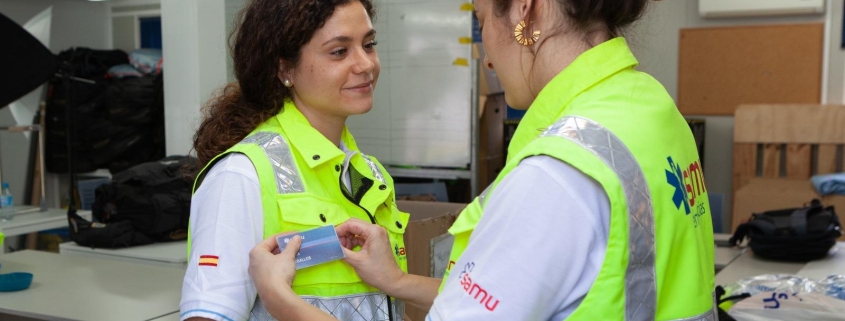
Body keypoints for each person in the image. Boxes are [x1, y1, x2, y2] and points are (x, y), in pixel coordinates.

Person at [249, 0, 718, 320]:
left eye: (482, 19)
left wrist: (283, 302)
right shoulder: (651, 108)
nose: (486, 49)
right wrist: (397, 281)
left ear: (525, 10)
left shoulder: (557, 175)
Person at [179, 0, 413, 320]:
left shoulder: (369, 173)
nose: (365, 64)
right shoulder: (242, 174)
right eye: (339, 51)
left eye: (369, 45)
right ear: (284, 69)